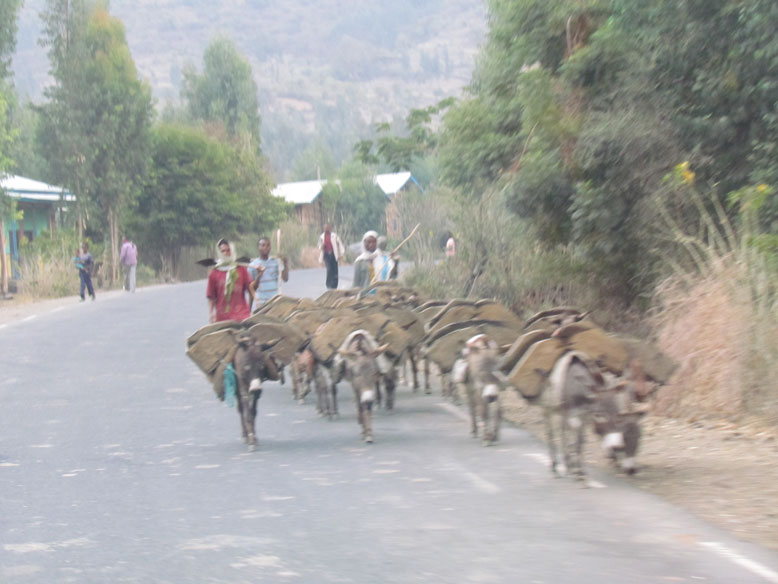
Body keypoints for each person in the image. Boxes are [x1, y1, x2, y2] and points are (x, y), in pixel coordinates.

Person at [206, 239, 253, 322]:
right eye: (223, 251)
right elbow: (211, 296)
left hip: (242, 315)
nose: (226, 253)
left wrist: (249, 308)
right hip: (222, 317)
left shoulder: (241, 269)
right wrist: (211, 313)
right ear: (219, 253)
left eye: (228, 250)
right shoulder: (214, 272)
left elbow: (251, 289)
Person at [248, 236, 289, 311]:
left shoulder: (276, 262)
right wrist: (249, 309)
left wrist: (285, 264)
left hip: (275, 301)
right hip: (261, 303)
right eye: (263, 245)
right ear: (258, 247)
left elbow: (285, 279)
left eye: (268, 245)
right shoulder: (253, 265)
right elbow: (251, 288)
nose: (266, 247)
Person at [317, 223, 346, 289]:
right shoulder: (321, 237)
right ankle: (328, 285)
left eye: (327, 228)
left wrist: (342, 253)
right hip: (326, 255)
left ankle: (334, 286)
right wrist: (322, 246)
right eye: (325, 228)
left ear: (329, 228)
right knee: (329, 269)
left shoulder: (334, 236)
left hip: (333, 254)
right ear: (324, 228)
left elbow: (340, 244)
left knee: (335, 270)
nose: (326, 229)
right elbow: (319, 246)